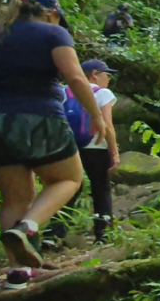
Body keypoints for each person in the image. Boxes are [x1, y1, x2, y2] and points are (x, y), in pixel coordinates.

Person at [0, 0, 107, 289]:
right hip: (37, 117)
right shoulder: (53, 33)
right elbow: (75, 78)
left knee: (16, 198)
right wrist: (95, 115)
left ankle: (17, 275)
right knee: (69, 179)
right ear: (50, 13)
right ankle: (29, 228)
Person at [50, 59, 120, 243]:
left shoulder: (63, 91)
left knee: (68, 187)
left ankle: (53, 234)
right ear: (94, 74)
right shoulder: (102, 93)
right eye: (107, 74)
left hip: (67, 146)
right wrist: (114, 151)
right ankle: (103, 234)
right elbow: (107, 125)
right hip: (96, 146)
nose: (108, 79)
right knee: (101, 188)